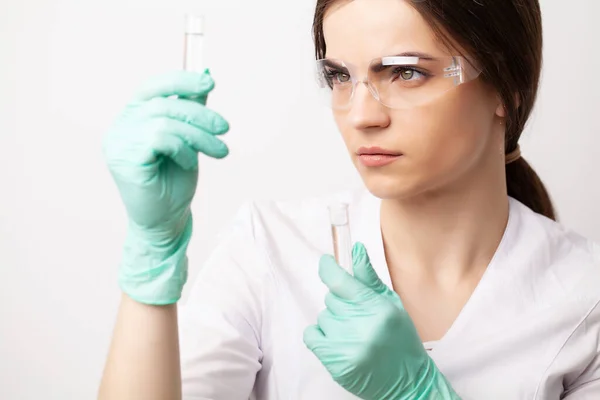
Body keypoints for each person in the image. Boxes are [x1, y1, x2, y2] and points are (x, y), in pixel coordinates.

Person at [98, 0, 600, 399]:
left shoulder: (585, 300)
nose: (361, 115)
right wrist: (152, 258)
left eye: (405, 72)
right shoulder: (269, 251)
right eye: (340, 76)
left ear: (506, 89)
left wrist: (419, 394)